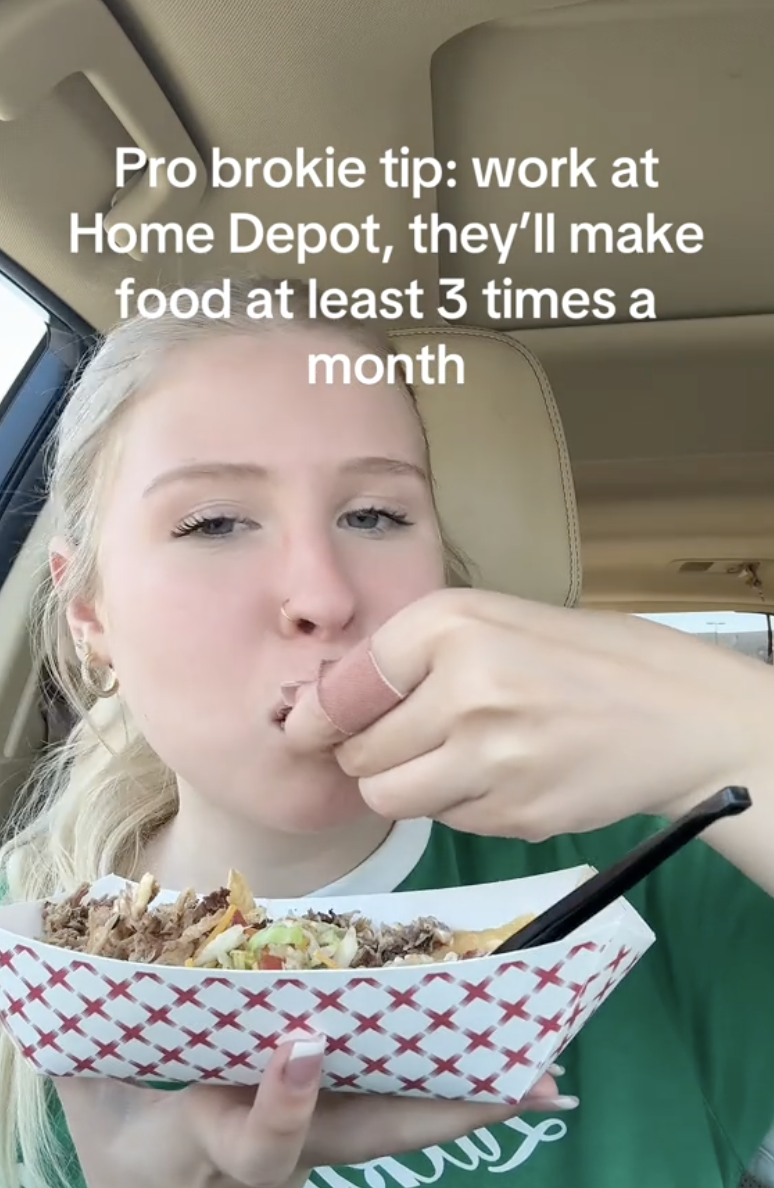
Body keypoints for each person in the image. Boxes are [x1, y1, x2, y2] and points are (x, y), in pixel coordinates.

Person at [0, 276, 773, 1188]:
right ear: (89, 613)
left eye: (375, 516)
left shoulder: (670, 868)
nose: (324, 596)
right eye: (213, 522)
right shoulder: (48, 971)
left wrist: (739, 731)